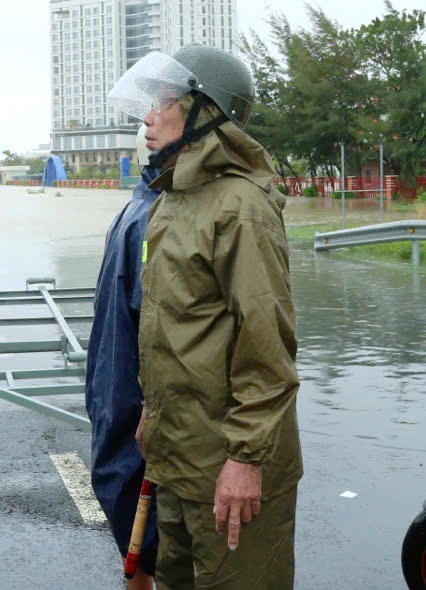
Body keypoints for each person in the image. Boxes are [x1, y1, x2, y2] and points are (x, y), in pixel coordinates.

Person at [110, 45, 303, 589]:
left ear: (206, 111)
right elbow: (172, 329)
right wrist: (154, 415)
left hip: (230, 469)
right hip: (178, 457)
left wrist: (246, 460)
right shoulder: (172, 199)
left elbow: (267, 351)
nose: (149, 118)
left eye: (165, 102)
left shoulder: (241, 207)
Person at [85, 125, 161, 590]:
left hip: (120, 382)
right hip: (124, 383)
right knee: (134, 499)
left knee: (131, 496)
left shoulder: (140, 209)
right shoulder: (149, 214)